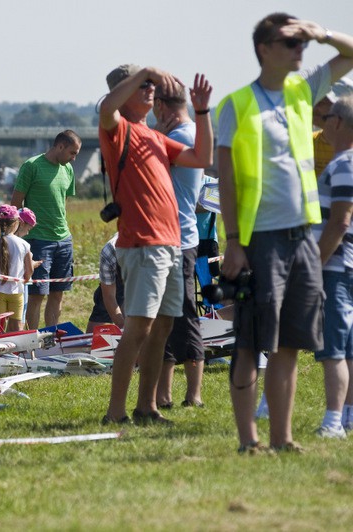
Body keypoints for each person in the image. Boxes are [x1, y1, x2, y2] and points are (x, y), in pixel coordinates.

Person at [217, 13, 353, 453]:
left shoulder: (301, 89)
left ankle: (282, 437)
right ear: (265, 49)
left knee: (290, 343)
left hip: (302, 237)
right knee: (253, 341)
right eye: (291, 43)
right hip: (260, 239)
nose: (300, 50)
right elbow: (226, 178)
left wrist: (322, 33)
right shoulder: (236, 105)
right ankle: (248, 439)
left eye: (302, 43)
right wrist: (234, 242)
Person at [99, 64, 213, 425]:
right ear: (124, 90)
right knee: (139, 329)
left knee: (162, 328)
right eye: (144, 86)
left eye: (153, 85)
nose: (152, 90)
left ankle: (146, 407)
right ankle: (115, 412)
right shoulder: (118, 129)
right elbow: (106, 109)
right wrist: (145, 71)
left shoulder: (156, 135)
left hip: (171, 244)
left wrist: (202, 111)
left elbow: (201, 158)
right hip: (143, 244)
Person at [152, 84, 206, 410]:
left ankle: (193, 393)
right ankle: (164, 394)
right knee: (165, 318)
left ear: (161, 106)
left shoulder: (181, 138)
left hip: (179, 240)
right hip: (171, 237)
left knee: (184, 317)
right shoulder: (188, 133)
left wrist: (157, 134)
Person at [11, 130, 81, 330]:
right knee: (37, 294)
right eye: (72, 153)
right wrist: (15, 238)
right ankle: (32, 340)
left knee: (57, 293)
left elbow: (63, 201)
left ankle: (52, 337)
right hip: (38, 240)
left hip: (64, 239)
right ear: (60, 146)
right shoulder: (32, 166)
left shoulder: (67, 169)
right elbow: (15, 204)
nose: (74, 158)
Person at [313, 94, 353, 438]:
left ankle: (332, 421)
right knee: (350, 348)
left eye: (326, 117)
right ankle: (348, 417)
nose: (322, 122)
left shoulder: (342, 164)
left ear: (337, 123)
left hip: (336, 267)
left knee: (334, 349)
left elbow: (339, 223)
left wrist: (316, 263)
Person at [0, 205, 33, 332]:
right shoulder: (24, 245)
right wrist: (26, 278)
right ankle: (15, 352)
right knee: (16, 330)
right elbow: (29, 270)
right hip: (16, 292)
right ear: (17, 223)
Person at [86, 233, 124, 334]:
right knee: (102, 307)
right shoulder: (109, 252)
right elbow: (109, 296)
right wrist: (124, 329)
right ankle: (89, 344)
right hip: (116, 277)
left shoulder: (153, 251)